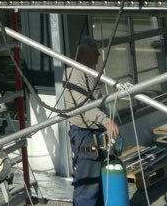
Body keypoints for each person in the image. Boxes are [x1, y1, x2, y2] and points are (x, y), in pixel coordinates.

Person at [64, 35, 120, 206]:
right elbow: (84, 105)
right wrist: (106, 121)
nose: (98, 55)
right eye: (94, 51)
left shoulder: (90, 73)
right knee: (88, 183)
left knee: (101, 182)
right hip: (85, 134)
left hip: (96, 132)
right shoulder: (75, 73)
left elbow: (100, 100)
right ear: (84, 52)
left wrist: (113, 118)